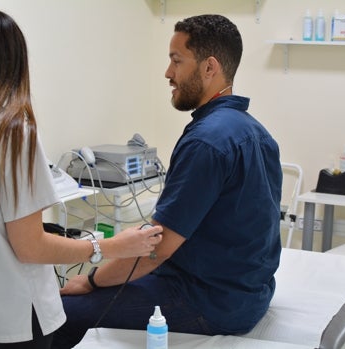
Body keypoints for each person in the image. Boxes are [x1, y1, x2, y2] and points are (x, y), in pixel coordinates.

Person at [0, 10, 162, 349]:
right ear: (16, 63)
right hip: (14, 317)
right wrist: (107, 247)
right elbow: (30, 246)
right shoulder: (14, 130)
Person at [51, 14, 282, 348]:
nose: (168, 73)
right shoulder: (257, 133)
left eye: (176, 61)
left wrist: (90, 280)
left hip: (208, 302)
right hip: (248, 294)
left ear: (209, 67)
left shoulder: (207, 142)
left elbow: (155, 251)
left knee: (58, 314)